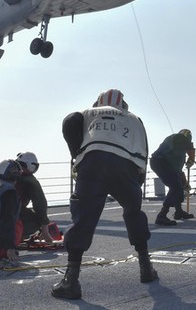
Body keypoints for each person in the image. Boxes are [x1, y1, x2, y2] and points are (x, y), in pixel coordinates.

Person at [53, 89, 157, 300]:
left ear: (98, 102)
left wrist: (77, 156)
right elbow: (143, 149)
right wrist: (136, 184)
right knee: (134, 214)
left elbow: (70, 121)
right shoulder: (134, 119)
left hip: (93, 163)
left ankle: (71, 281)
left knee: (83, 219)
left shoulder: (87, 113)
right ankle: (146, 267)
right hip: (126, 166)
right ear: (123, 105)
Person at [150, 129, 196, 226]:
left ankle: (179, 212)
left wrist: (185, 184)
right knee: (175, 187)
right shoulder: (177, 138)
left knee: (178, 186)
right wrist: (192, 158)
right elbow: (186, 143)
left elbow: (178, 171)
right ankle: (162, 215)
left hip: (163, 164)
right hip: (160, 162)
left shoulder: (178, 152)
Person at [15, 151, 54, 242]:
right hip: (10, 216)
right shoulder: (30, 181)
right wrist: (45, 231)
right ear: (31, 166)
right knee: (35, 219)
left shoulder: (1, 173)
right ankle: (16, 235)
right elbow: (40, 204)